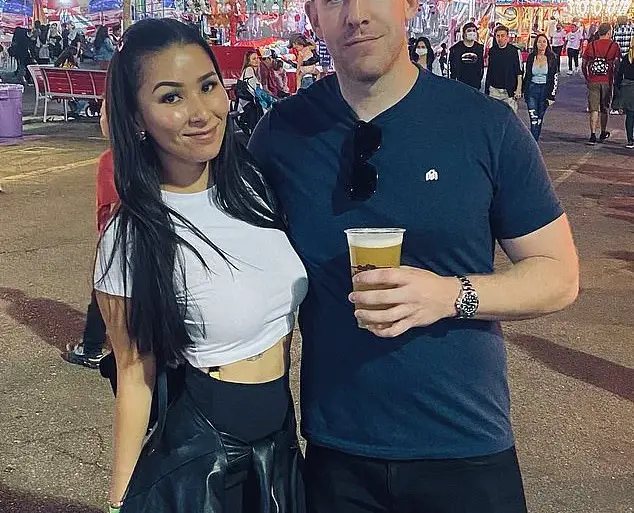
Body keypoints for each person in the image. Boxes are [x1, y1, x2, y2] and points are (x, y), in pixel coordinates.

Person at [248, 0, 579, 512]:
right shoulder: (281, 136)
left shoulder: (485, 125)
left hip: (464, 446)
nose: (355, 14)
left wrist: (448, 295)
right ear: (313, 17)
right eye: (333, 0)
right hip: (336, 455)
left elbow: (558, 275)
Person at [96, 18, 307, 513]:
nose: (201, 112)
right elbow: (134, 373)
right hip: (204, 456)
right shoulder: (131, 234)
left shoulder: (252, 188)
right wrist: (121, 498)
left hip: (280, 441)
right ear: (136, 117)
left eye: (208, 86)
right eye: (171, 97)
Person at [65, 98, 117, 369]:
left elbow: (111, 207)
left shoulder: (111, 159)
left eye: (104, 115)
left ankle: (92, 347)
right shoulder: (157, 153)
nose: (101, 120)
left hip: (119, 238)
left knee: (103, 291)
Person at [582, 23, 621, 145]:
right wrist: (614, 77)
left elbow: (584, 64)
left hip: (593, 80)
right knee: (604, 108)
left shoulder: (591, 45)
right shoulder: (614, 46)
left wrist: (587, 77)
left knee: (594, 108)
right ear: (609, 32)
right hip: (607, 80)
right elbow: (617, 64)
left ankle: (592, 134)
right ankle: (603, 132)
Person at [523, 34, 558, 141]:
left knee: (539, 118)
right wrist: (523, 90)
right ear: (536, 44)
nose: (541, 44)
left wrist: (552, 96)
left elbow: (554, 77)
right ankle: (533, 143)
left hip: (545, 90)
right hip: (532, 89)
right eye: (539, 42)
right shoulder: (531, 57)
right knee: (533, 118)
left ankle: (534, 140)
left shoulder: (552, 58)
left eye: (544, 42)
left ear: (547, 44)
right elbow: (527, 75)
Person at [485, 25, 523, 113]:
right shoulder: (492, 51)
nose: (500, 38)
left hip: (509, 90)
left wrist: (519, 88)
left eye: (502, 36)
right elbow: (489, 71)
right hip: (494, 90)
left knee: (510, 116)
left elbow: (519, 72)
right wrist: (487, 88)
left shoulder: (515, 51)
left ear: (507, 37)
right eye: (498, 36)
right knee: (494, 115)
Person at [612, 36, 634, 148]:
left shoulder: (627, 57)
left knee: (630, 114)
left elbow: (619, 74)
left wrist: (618, 87)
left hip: (628, 88)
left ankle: (630, 140)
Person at [449, 22, 484, 89]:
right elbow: (453, 69)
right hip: (460, 85)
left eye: (474, 30)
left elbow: (481, 66)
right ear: (464, 34)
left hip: (475, 85)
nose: (472, 32)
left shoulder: (479, 48)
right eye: (469, 30)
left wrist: (479, 80)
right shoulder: (455, 49)